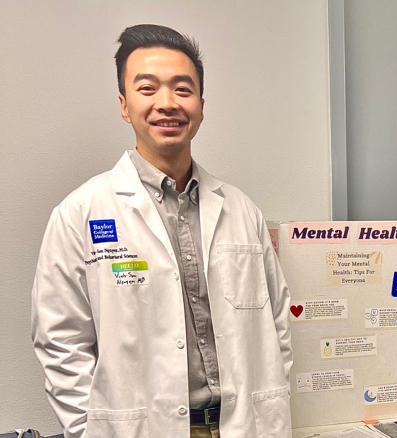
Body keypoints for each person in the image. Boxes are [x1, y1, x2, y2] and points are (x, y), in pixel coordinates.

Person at [31, 24, 292, 438]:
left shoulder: (243, 211)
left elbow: (277, 323)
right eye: (148, 89)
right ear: (123, 104)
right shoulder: (79, 213)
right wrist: (90, 430)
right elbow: (60, 342)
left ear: (201, 105)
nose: (167, 104)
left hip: (244, 426)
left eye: (182, 90)